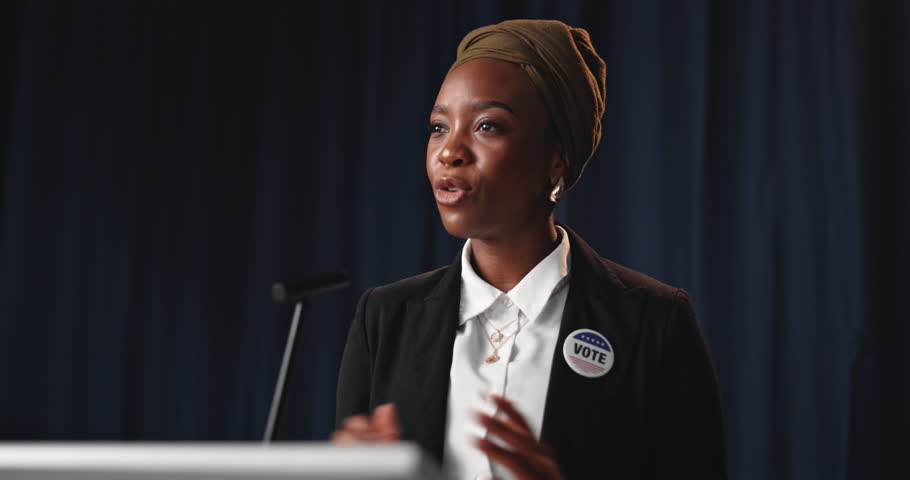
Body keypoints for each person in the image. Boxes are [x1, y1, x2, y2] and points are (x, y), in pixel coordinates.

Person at [332, 19, 727, 480]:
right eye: (439, 127)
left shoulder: (653, 323)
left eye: (487, 126)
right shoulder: (384, 319)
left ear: (557, 158)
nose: (449, 151)